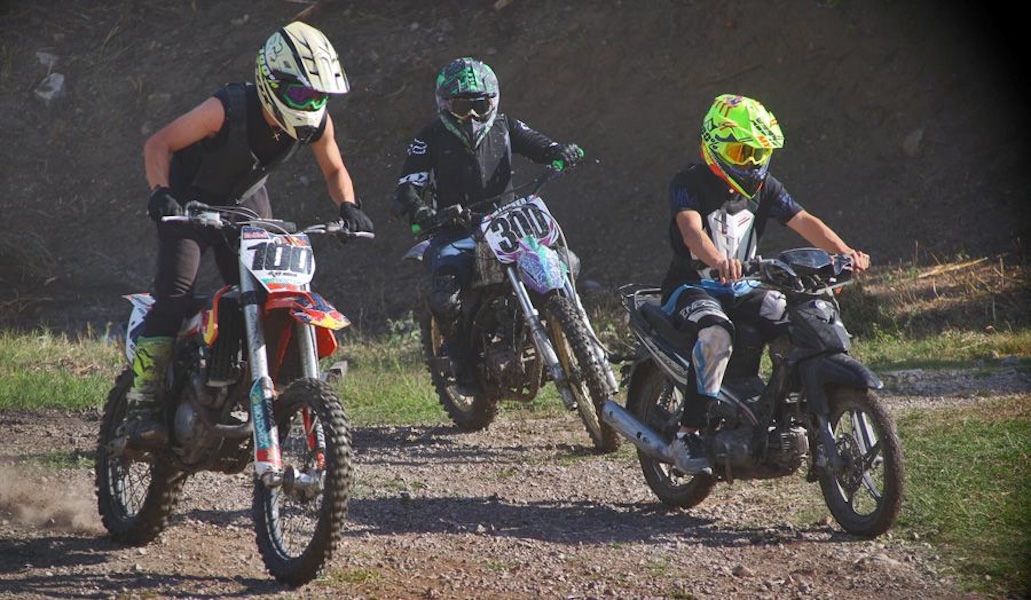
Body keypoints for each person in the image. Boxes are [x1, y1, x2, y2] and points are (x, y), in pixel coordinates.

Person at [121, 21, 374, 448]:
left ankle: (252, 382)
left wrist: (348, 206)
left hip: (244, 203)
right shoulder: (229, 107)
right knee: (176, 293)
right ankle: (142, 404)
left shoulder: (314, 121)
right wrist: (161, 192)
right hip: (189, 201)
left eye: (319, 96)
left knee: (268, 293)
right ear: (271, 80)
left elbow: (334, 169)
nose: (311, 104)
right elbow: (158, 144)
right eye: (301, 94)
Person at [660, 94, 870, 474]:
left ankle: (782, 413)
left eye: (759, 153)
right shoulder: (688, 182)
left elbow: (805, 221)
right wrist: (718, 261)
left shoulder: (765, 187)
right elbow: (691, 231)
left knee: (796, 320)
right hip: (692, 287)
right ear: (715, 145)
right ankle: (687, 434)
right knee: (716, 333)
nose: (753, 163)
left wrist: (845, 253)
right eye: (743, 153)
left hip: (743, 286)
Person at [390, 56, 582, 391]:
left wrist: (561, 152)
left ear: (492, 101)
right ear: (445, 105)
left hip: (509, 224)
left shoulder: (506, 126)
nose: (472, 115)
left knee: (567, 263)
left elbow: (541, 146)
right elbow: (407, 187)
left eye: (480, 105)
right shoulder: (429, 138)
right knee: (444, 297)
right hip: (455, 227)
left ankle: (564, 335)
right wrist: (421, 213)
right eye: (462, 106)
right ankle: (462, 361)